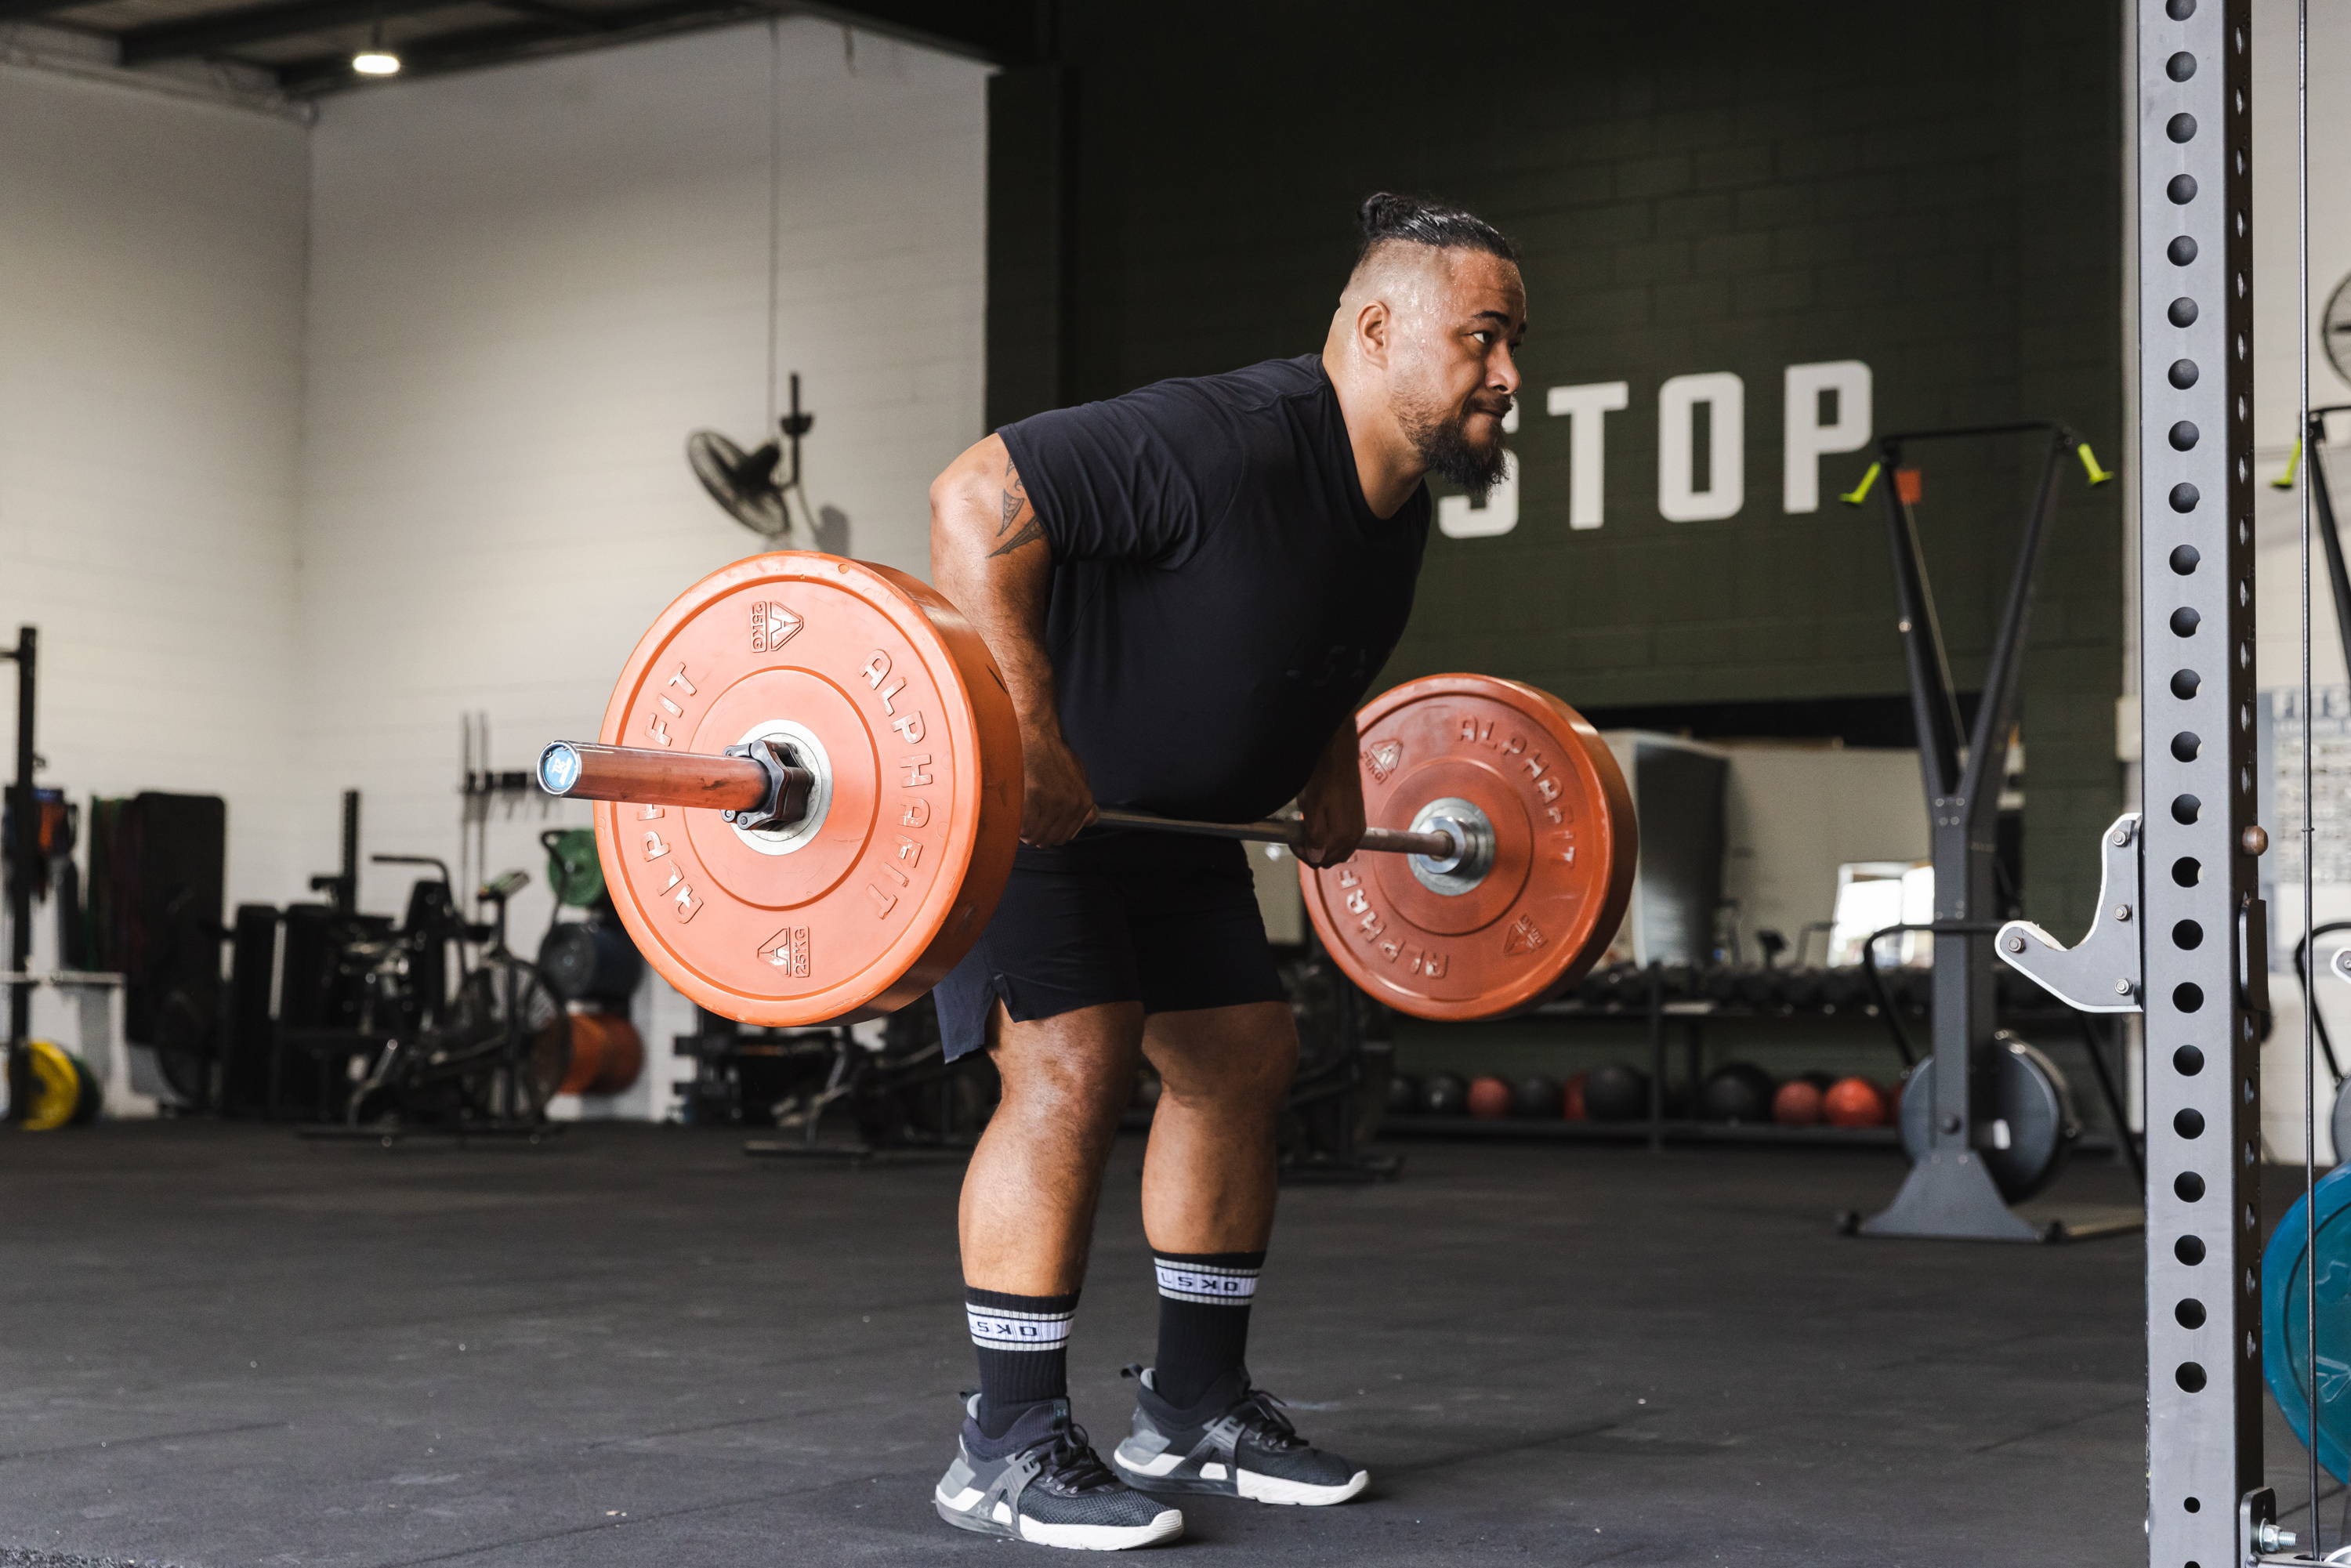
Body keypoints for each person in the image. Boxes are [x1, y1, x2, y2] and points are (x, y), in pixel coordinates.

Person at [923, 191, 1525, 1550]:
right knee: (1072, 1064)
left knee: (1245, 1054)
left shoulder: (1391, 503)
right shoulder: (1223, 439)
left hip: (1175, 826)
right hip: (1039, 814)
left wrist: (1327, 760)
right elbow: (973, 500)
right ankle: (1003, 1440)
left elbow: (1300, 638)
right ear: (1377, 329)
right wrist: (1029, 735)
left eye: (1513, 345)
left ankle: (1190, 1405)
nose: (1511, 374)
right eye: (1487, 338)